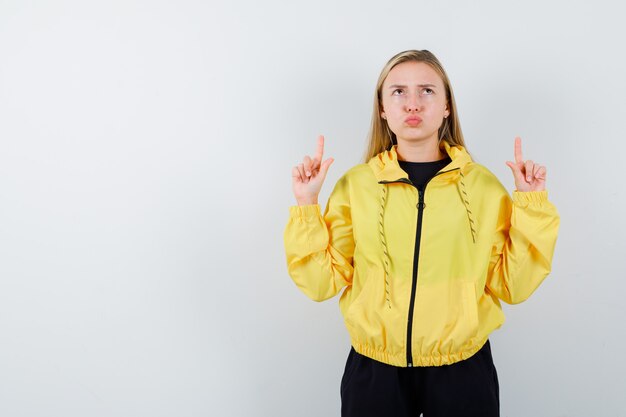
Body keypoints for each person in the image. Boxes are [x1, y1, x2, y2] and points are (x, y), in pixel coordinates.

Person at [283, 50, 560, 417]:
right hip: (375, 373)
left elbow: (514, 285)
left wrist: (530, 203)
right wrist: (307, 203)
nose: (412, 102)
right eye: (398, 91)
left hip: (462, 371)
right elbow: (321, 284)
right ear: (382, 107)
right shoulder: (356, 186)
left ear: (447, 106)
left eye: (427, 91)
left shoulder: (482, 188)